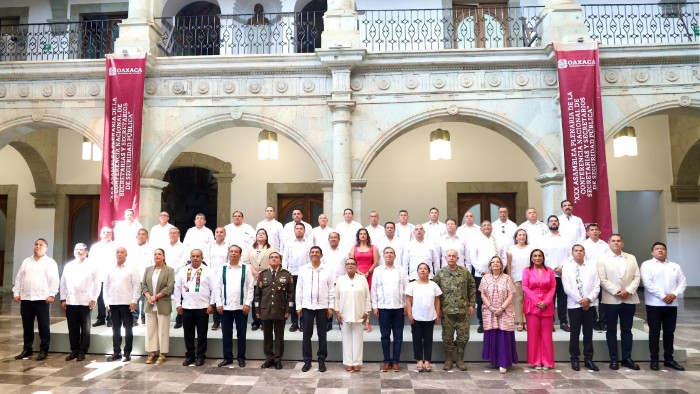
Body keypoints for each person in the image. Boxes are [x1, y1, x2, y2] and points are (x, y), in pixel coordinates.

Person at [640, 242, 687, 371]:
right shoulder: (646, 265)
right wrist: (663, 296)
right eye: (657, 249)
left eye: (663, 249)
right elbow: (647, 283)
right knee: (654, 332)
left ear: (666, 252)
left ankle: (669, 359)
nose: (660, 250)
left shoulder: (675, 266)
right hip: (654, 304)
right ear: (652, 252)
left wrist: (674, 294)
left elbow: (682, 282)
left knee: (669, 332)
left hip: (672, 304)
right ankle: (654, 359)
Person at [597, 234, 640, 371]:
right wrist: (617, 291)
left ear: (622, 243)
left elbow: (637, 277)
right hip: (611, 299)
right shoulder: (602, 258)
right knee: (611, 330)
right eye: (613, 241)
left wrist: (628, 291)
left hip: (629, 298)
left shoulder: (631, 257)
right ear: (608, 243)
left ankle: (627, 358)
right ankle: (613, 359)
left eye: (618, 241)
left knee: (627, 330)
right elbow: (602, 279)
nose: (616, 243)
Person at [13, 238, 60, 361]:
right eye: (36, 244)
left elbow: (54, 280)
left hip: (42, 299)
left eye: (41, 245)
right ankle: (27, 349)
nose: (38, 247)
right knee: (27, 325)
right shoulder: (26, 261)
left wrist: (52, 294)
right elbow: (19, 278)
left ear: (46, 248)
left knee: (43, 325)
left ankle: (44, 350)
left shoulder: (50, 262)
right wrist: (16, 292)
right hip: (26, 298)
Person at [433, 249, 476, 372]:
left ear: (458, 259)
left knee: (463, 337)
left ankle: (460, 359)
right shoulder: (440, 273)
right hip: (447, 311)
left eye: (454, 256)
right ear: (445, 258)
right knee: (447, 337)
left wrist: (471, 304)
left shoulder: (465, 272)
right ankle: (449, 359)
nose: (451, 258)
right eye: (449, 256)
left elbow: (472, 287)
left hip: (463, 311)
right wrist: (438, 309)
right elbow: (435, 292)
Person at [562, 245, 600, 372]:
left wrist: (588, 299)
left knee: (588, 333)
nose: (578, 253)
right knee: (575, 333)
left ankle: (588, 359)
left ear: (584, 252)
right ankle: (574, 358)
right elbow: (567, 288)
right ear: (572, 253)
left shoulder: (591, 267)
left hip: (590, 304)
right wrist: (580, 300)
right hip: (574, 305)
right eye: (576, 251)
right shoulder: (567, 268)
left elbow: (597, 286)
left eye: (581, 251)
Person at [216, 245, 255, 368]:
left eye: (236, 252)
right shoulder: (222, 268)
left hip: (241, 307)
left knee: (241, 334)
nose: (233, 253)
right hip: (226, 307)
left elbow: (250, 287)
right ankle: (227, 358)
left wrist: (247, 303)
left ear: (240, 254)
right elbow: (217, 287)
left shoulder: (246, 268)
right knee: (226, 334)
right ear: (228, 253)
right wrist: (219, 303)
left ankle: (241, 358)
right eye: (231, 251)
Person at [297, 246, 335, 373]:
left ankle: (321, 360)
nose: (314, 254)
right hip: (307, 307)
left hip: (323, 307)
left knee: (322, 335)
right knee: (306, 335)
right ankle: (307, 361)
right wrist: (298, 306)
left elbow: (331, 289)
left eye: (317, 252)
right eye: (312, 252)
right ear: (309, 255)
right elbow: (299, 289)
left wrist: (331, 306)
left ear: (321, 255)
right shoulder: (303, 269)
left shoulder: (328, 270)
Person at [174, 248, 215, 366]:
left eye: (198, 256)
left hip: (202, 308)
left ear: (202, 258)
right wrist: (178, 303)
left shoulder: (208, 271)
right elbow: (177, 288)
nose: (195, 258)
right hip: (186, 307)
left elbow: (214, 289)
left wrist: (211, 304)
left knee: (202, 334)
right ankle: (190, 355)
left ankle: (201, 356)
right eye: (193, 256)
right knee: (188, 334)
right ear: (190, 258)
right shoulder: (183, 271)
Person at [60, 243, 100, 362]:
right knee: (72, 327)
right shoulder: (68, 266)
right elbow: (63, 282)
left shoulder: (93, 266)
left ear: (86, 252)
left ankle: (83, 351)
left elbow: (97, 284)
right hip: (71, 300)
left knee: (85, 328)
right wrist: (63, 298)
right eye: (76, 250)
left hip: (85, 301)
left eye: (81, 250)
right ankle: (74, 350)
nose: (78, 252)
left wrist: (94, 298)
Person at [255, 251, 294, 370]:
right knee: (267, 336)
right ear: (269, 260)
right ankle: (269, 358)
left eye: (276, 258)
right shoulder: (262, 274)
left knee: (279, 337)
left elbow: (291, 295)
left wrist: (288, 309)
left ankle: (277, 359)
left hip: (280, 310)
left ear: (280, 260)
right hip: (265, 310)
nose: (273, 259)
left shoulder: (287, 275)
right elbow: (257, 294)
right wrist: (257, 309)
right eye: (271, 257)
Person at [372, 247, 409, 372]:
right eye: (386, 253)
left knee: (398, 336)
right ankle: (387, 361)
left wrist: (406, 305)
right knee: (385, 336)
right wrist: (375, 306)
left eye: (391, 253)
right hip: (383, 308)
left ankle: (396, 362)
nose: (389, 255)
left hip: (399, 308)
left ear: (395, 256)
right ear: (383, 255)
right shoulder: (378, 270)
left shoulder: (401, 270)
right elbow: (374, 289)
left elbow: (406, 289)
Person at [480, 255, 518, 373]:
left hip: (505, 311)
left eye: (498, 262)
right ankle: (494, 360)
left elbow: (511, 295)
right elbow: (482, 294)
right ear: (490, 265)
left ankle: (503, 362)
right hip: (489, 311)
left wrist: (501, 308)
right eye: (493, 262)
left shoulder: (507, 278)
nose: (495, 264)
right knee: (493, 334)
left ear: (501, 265)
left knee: (503, 336)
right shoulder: (485, 278)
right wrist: (491, 307)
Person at [103, 246, 140, 362]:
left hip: (127, 303)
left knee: (128, 329)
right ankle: (116, 352)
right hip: (113, 303)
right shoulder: (110, 268)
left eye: (122, 252)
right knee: (115, 329)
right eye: (117, 252)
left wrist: (134, 301)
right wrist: (106, 302)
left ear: (126, 255)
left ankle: (127, 353)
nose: (119, 254)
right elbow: (106, 286)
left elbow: (137, 286)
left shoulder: (132, 268)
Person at [334, 258, 372, 372]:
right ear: (345, 266)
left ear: (356, 267)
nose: (350, 265)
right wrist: (337, 312)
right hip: (344, 314)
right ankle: (348, 362)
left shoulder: (362, 279)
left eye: (352, 264)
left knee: (358, 339)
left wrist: (366, 312)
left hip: (359, 313)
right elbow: (336, 297)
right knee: (346, 339)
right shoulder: (340, 280)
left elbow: (367, 297)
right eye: (348, 264)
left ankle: (356, 362)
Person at [522, 249, 556, 370]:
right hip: (532, 304)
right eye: (535, 256)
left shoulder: (550, 271)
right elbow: (525, 287)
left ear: (543, 257)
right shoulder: (527, 271)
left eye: (540, 255)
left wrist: (545, 302)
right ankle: (536, 361)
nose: (537, 258)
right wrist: (537, 301)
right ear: (531, 258)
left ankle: (547, 361)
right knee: (533, 334)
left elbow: (553, 287)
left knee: (547, 335)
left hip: (547, 304)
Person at [405, 262, 442, 372]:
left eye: (425, 269)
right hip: (416, 317)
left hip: (430, 317)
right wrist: (410, 314)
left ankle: (427, 361)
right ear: (417, 271)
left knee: (428, 340)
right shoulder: (412, 285)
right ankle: (419, 360)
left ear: (429, 272)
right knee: (417, 339)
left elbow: (437, 300)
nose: (422, 270)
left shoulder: (433, 285)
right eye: (420, 268)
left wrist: (437, 314)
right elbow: (408, 300)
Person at [540, 215, 574, 332]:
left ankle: (564, 322)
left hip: (564, 273)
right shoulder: (544, 239)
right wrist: (555, 267)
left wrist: (563, 267)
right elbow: (543, 255)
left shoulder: (567, 238)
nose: (553, 223)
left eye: (555, 221)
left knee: (563, 299)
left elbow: (571, 254)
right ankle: (550, 322)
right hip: (549, 273)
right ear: (548, 224)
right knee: (550, 299)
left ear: (559, 223)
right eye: (551, 221)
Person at [142, 248, 175, 365]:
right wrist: (149, 296)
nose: (157, 256)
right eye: (155, 254)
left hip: (162, 304)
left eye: (159, 254)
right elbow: (144, 285)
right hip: (150, 304)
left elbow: (169, 287)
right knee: (150, 330)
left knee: (163, 330)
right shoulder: (148, 269)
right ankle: (151, 353)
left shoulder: (169, 270)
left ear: (164, 257)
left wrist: (156, 297)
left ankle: (162, 353)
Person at [243, 228, 277, 331]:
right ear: (256, 236)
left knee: (266, 299)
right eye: (259, 233)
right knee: (255, 299)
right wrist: (254, 272)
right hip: (253, 277)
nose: (261, 235)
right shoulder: (250, 248)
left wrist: (265, 273)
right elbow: (245, 261)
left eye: (263, 233)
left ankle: (265, 321)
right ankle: (256, 321)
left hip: (267, 277)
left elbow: (274, 261)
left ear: (266, 237)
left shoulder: (271, 248)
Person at [282, 222, 313, 332]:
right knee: (293, 298)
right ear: (294, 231)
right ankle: (294, 323)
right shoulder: (289, 243)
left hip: (305, 274)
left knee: (304, 297)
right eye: (297, 229)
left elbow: (311, 259)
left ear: (304, 231)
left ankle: (303, 322)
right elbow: (285, 259)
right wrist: (285, 273)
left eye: (301, 229)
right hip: (292, 274)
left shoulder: (309, 244)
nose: (299, 230)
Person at [470, 220, 499, 333]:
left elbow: (501, 257)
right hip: (480, 275)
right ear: (480, 228)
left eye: (488, 225)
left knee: (495, 298)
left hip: (495, 275)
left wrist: (497, 270)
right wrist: (482, 271)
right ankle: (482, 322)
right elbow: (473, 258)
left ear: (491, 228)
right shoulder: (476, 241)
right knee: (481, 299)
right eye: (484, 225)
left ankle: (494, 321)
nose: (486, 227)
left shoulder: (496, 240)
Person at [581, 223, 611, 331]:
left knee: (603, 300)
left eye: (596, 229)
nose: (594, 231)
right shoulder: (583, 245)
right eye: (592, 230)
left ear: (599, 232)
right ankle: (592, 321)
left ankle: (603, 322)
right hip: (590, 275)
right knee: (591, 299)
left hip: (603, 275)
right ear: (587, 233)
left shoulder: (605, 245)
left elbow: (609, 260)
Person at [350, 228, 378, 332]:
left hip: (369, 275)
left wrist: (369, 272)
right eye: (360, 234)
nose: (362, 235)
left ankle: (367, 322)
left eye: (364, 234)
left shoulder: (372, 247)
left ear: (367, 236)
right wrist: (359, 272)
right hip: (357, 275)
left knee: (368, 298)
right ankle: (358, 321)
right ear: (358, 236)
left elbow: (376, 262)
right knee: (358, 297)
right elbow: (351, 261)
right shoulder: (354, 248)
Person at [506, 228, 533, 332]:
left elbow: (533, 263)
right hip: (516, 277)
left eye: (523, 235)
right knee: (518, 300)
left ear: (526, 237)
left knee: (528, 300)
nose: (522, 237)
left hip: (529, 278)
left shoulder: (530, 248)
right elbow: (508, 263)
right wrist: (509, 276)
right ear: (516, 237)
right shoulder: (511, 249)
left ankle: (527, 321)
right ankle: (519, 322)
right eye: (519, 235)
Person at [91, 227, 116, 327]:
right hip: (99, 275)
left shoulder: (116, 246)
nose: (106, 234)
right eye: (104, 232)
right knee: (100, 297)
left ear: (111, 234)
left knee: (111, 297)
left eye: (108, 232)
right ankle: (101, 318)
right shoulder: (95, 247)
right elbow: (91, 262)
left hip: (112, 275)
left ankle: (110, 318)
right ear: (100, 234)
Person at [204, 227, 229, 330]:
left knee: (223, 296)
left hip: (225, 273)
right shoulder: (209, 246)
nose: (219, 234)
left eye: (221, 232)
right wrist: (209, 272)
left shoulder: (229, 245)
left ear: (225, 234)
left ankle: (225, 320)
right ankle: (216, 321)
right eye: (217, 232)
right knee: (214, 296)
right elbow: (205, 259)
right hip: (212, 274)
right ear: (214, 234)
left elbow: (230, 259)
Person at [129, 228, 153, 326]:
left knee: (145, 299)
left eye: (144, 234)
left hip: (146, 276)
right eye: (139, 234)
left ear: (147, 237)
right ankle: (134, 318)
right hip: (134, 276)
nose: (141, 236)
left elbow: (153, 263)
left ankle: (144, 318)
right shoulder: (131, 248)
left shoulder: (151, 248)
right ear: (136, 236)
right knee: (134, 298)